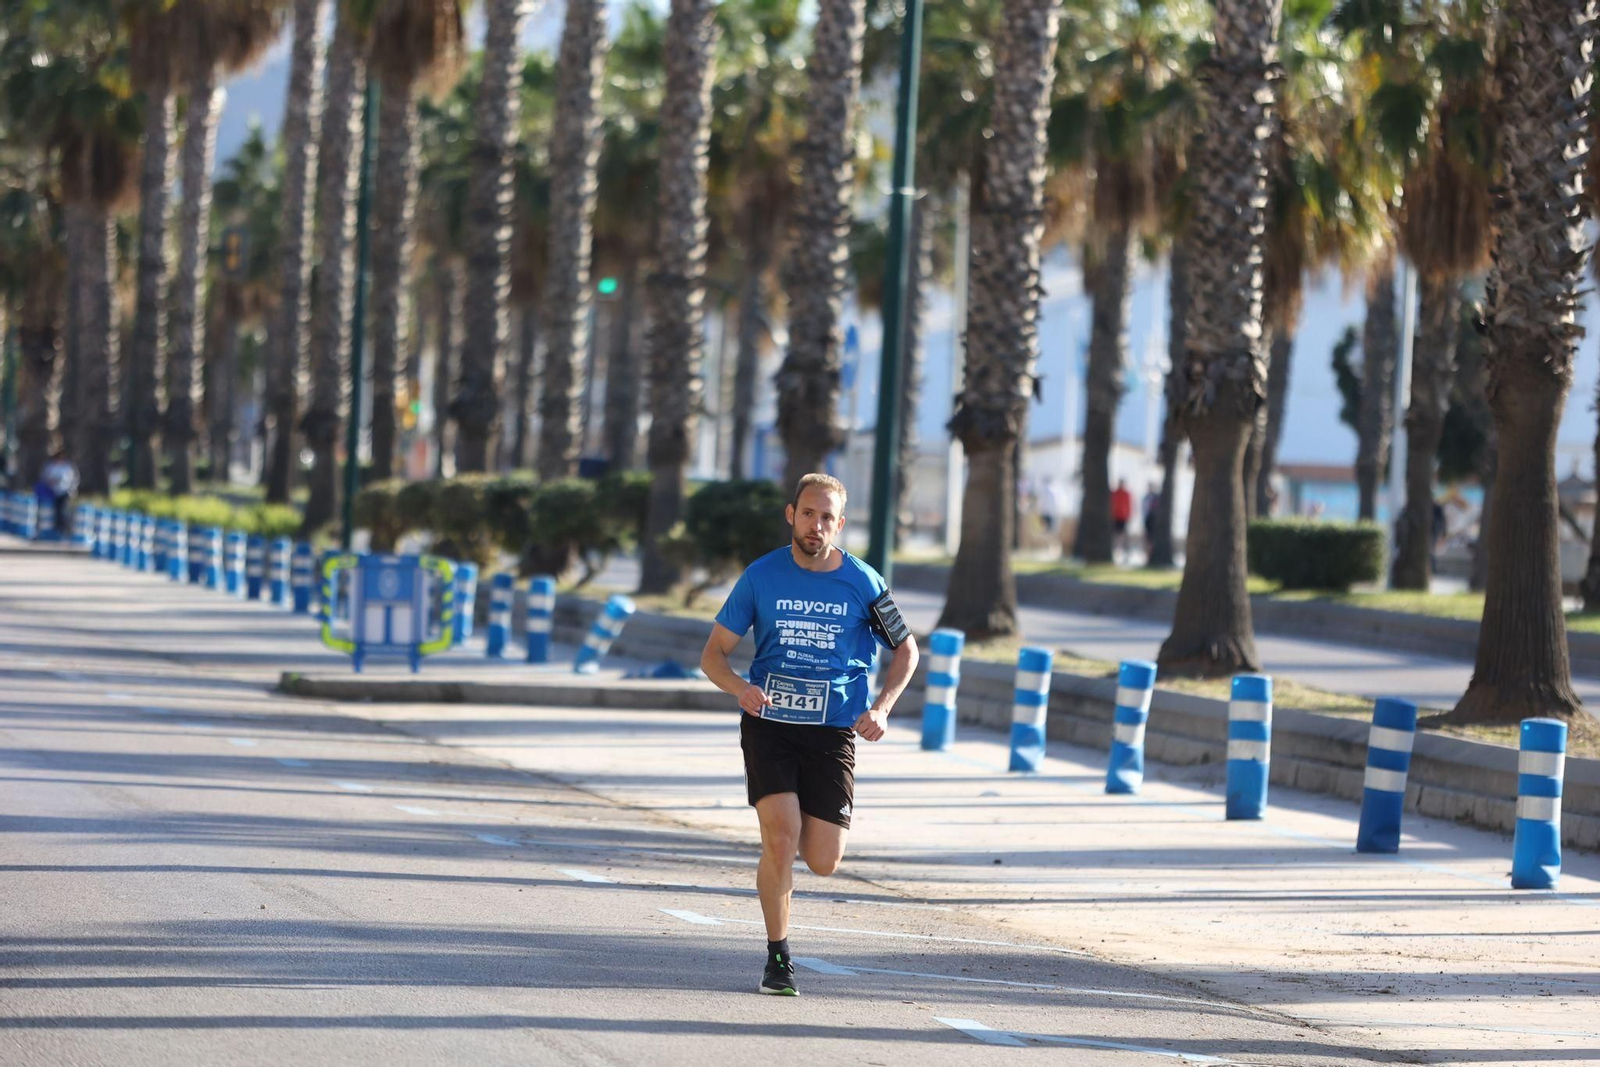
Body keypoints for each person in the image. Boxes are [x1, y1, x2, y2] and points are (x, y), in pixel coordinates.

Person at [700, 473, 920, 996]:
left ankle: (792, 854)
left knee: (823, 859)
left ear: (839, 525)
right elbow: (713, 655)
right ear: (791, 515)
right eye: (808, 514)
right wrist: (740, 689)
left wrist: (883, 708)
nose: (816, 525)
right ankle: (778, 958)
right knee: (781, 837)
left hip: (832, 731)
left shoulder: (863, 582)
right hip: (769, 724)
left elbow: (907, 651)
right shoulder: (760, 576)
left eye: (827, 518)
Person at [41, 451, 78, 536]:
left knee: (63, 511)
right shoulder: (51, 467)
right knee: (55, 511)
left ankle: (64, 529)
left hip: (65, 492)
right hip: (53, 492)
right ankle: (56, 529)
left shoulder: (67, 467)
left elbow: (72, 480)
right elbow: (46, 478)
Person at [1110, 478, 1134, 562]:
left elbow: (1129, 505)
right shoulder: (1114, 493)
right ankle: (1116, 551)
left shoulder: (1126, 494)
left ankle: (1126, 553)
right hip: (1115, 517)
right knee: (1116, 535)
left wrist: (1129, 516)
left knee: (1124, 536)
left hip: (1124, 517)